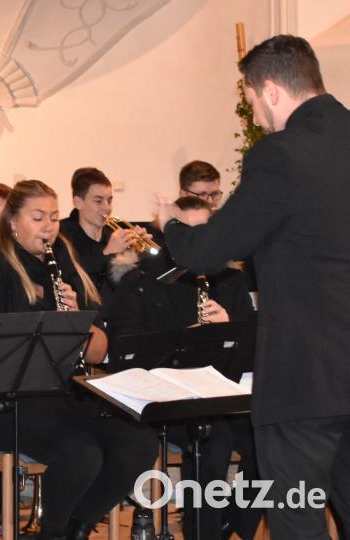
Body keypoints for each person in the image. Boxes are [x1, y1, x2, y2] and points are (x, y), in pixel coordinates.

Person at [158, 35, 350, 539]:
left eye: (246, 95)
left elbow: (206, 252)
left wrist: (172, 225)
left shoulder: (280, 155)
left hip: (304, 376)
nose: (252, 108)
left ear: (269, 89)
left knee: (298, 517)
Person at [0, 180, 157, 539]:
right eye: (37, 217)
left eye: (53, 217)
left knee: (137, 443)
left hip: (59, 396)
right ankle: (54, 531)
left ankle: (76, 526)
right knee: (82, 452)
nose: (49, 226)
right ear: (12, 221)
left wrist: (76, 320)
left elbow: (99, 351)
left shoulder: (60, 257)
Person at [107, 196, 261, 540]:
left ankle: (232, 521)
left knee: (268, 437)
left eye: (203, 233)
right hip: (167, 402)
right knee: (211, 439)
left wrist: (229, 329)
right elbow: (125, 350)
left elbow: (254, 349)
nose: (194, 243)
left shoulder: (229, 282)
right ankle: (201, 532)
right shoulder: (142, 282)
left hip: (224, 397)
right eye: (185, 232)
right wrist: (185, 340)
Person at [59, 167, 152, 306]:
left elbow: (131, 287)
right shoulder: (62, 236)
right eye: (98, 201)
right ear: (78, 202)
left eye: (109, 200)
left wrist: (139, 255)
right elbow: (76, 284)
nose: (107, 208)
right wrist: (107, 253)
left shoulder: (112, 234)